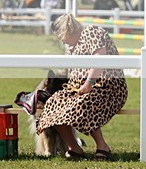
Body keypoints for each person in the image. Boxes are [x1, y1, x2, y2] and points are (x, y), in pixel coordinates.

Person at [37, 14, 128, 160]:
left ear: (65, 32)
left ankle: (102, 145)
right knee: (53, 104)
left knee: (82, 103)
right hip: (80, 88)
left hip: (106, 87)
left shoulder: (92, 32)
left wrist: (88, 84)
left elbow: (100, 59)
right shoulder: (73, 46)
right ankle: (74, 147)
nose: (62, 41)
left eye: (61, 37)